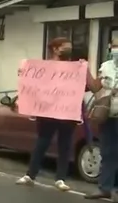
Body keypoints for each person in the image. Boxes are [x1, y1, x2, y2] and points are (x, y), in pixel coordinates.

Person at [17, 37, 100, 191]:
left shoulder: (77, 68)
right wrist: (24, 75)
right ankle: (30, 175)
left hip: (68, 112)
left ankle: (60, 178)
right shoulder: (44, 68)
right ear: (55, 49)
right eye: (65, 47)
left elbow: (93, 87)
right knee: (42, 142)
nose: (69, 49)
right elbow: (34, 86)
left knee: (65, 144)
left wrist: (87, 71)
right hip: (48, 112)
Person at [85, 38, 118, 201]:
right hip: (108, 114)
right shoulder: (106, 66)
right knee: (108, 151)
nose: (116, 50)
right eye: (115, 46)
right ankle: (104, 188)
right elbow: (95, 87)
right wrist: (84, 72)